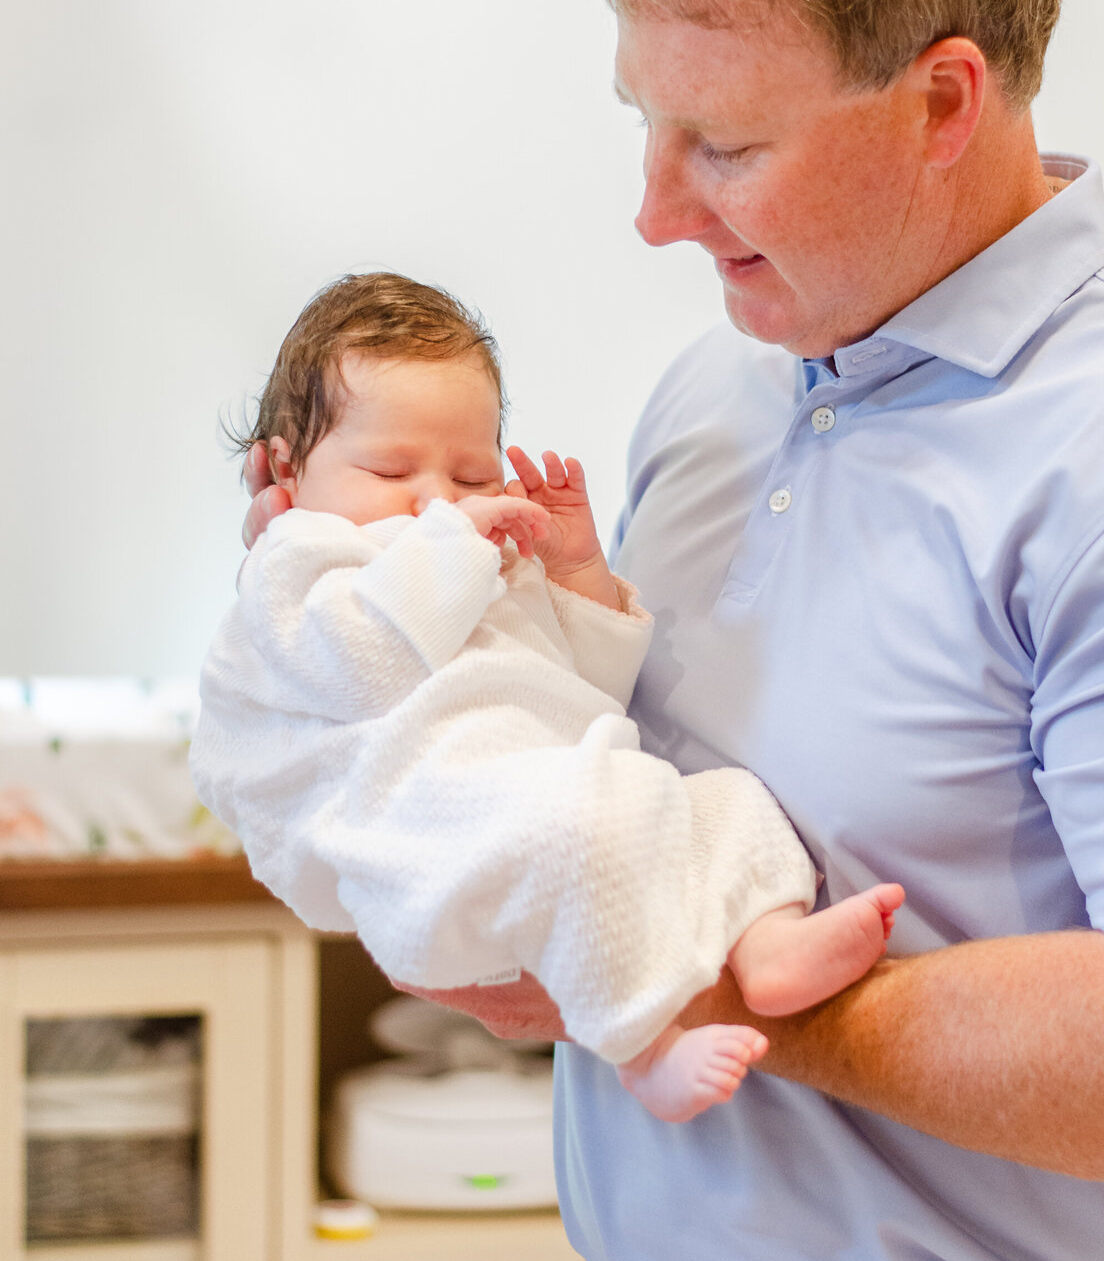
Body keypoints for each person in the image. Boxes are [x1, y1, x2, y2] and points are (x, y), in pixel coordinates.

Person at [237, 0, 1104, 1261]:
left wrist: (691, 977)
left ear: (944, 99)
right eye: (647, 123)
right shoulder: (721, 387)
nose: (655, 210)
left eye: (728, 146)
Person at [193, 271, 903, 1123]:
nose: (432, 499)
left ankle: (766, 940)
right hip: (425, 808)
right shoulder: (307, 556)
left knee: (729, 802)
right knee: (576, 828)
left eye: (470, 471)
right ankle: (645, 1046)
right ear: (284, 467)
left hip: (539, 777)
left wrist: (572, 573)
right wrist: (458, 548)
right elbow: (362, 665)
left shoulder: (475, 554)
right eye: (389, 467)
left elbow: (581, 694)